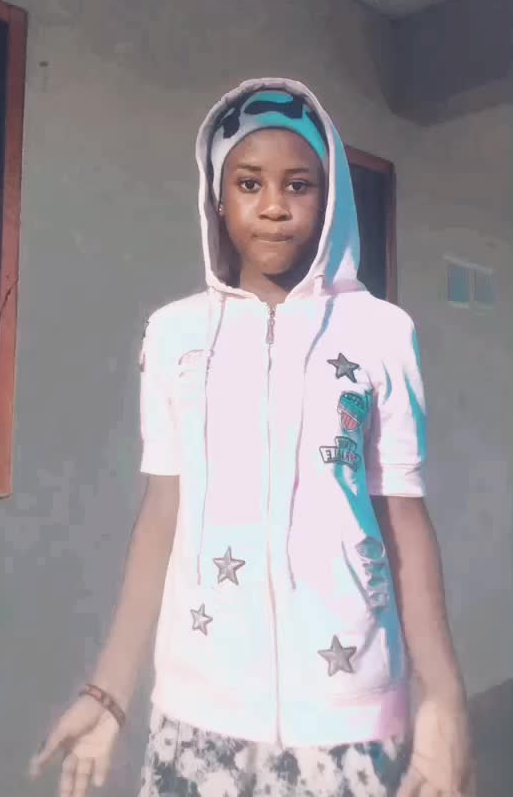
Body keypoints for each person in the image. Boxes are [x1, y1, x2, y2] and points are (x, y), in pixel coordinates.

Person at [30, 79, 474, 797]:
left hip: (350, 717)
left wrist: (443, 697)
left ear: (330, 199)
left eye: (298, 184)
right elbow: (162, 517)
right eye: (248, 183)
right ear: (217, 196)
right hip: (199, 718)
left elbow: (403, 518)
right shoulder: (174, 336)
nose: (273, 205)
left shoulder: (382, 334)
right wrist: (109, 691)